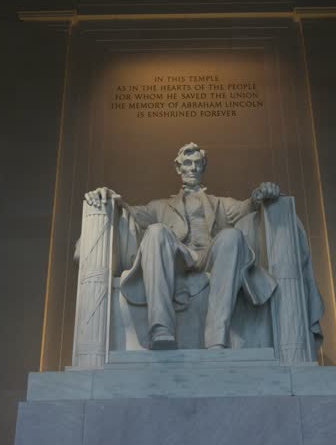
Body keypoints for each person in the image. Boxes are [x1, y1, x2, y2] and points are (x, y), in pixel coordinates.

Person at [84, 142, 280, 349]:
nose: (193, 168)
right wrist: (110, 198)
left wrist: (260, 194)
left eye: (198, 163)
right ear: (178, 168)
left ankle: (216, 338)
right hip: (176, 255)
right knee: (156, 231)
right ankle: (161, 329)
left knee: (232, 236)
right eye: (188, 163)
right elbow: (131, 212)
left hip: (210, 257)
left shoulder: (220, 203)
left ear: (203, 168)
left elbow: (246, 206)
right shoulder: (159, 206)